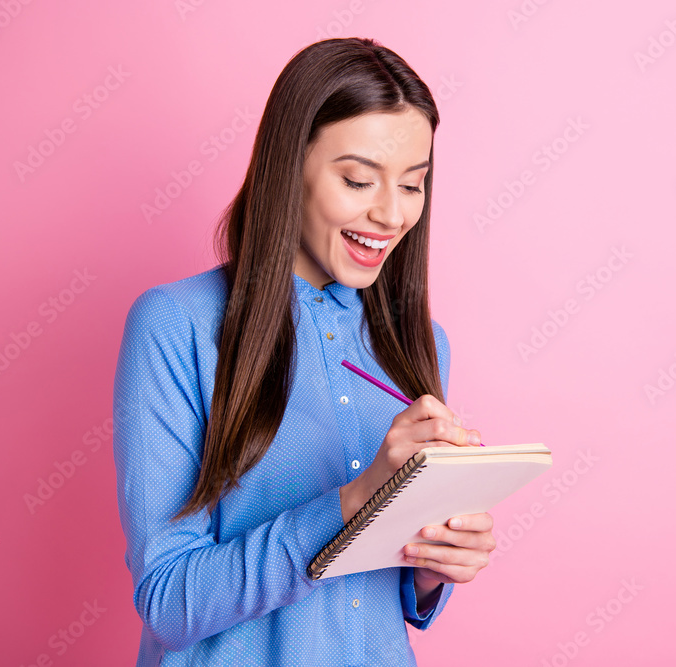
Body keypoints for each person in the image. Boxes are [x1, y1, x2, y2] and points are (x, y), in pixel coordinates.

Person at [112, 37, 496, 666]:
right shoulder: (176, 324)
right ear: (288, 167)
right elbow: (169, 600)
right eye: (358, 180)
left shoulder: (421, 346)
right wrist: (356, 500)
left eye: (412, 185)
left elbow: (381, 591)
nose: (390, 214)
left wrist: (433, 564)